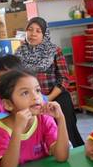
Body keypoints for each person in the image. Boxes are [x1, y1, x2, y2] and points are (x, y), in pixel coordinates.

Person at [15, 17, 84, 147]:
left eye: (38, 31)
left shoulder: (54, 51)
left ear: (45, 34)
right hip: (31, 100)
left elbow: (64, 79)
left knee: (66, 130)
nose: (33, 34)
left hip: (56, 97)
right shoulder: (19, 53)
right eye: (30, 30)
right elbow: (16, 79)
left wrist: (48, 98)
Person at [0, 69, 69, 167]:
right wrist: (17, 130)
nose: (35, 97)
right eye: (25, 93)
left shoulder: (44, 119)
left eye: (37, 90)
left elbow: (62, 157)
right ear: (8, 104)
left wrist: (61, 119)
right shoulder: (1, 129)